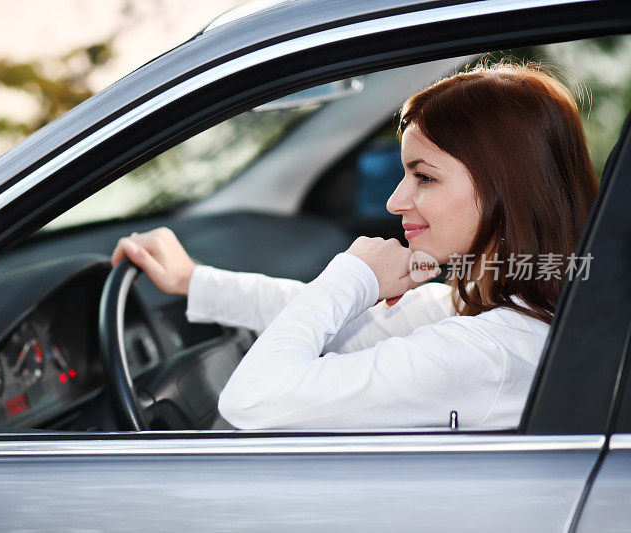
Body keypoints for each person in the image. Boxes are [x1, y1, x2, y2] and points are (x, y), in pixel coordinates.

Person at [110, 62, 598, 430]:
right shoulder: (509, 311)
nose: (395, 201)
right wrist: (192, 281)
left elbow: (251, 400)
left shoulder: (482, 354)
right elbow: (350, 322)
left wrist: (354, 274)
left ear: (503, 186)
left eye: (423, 176)